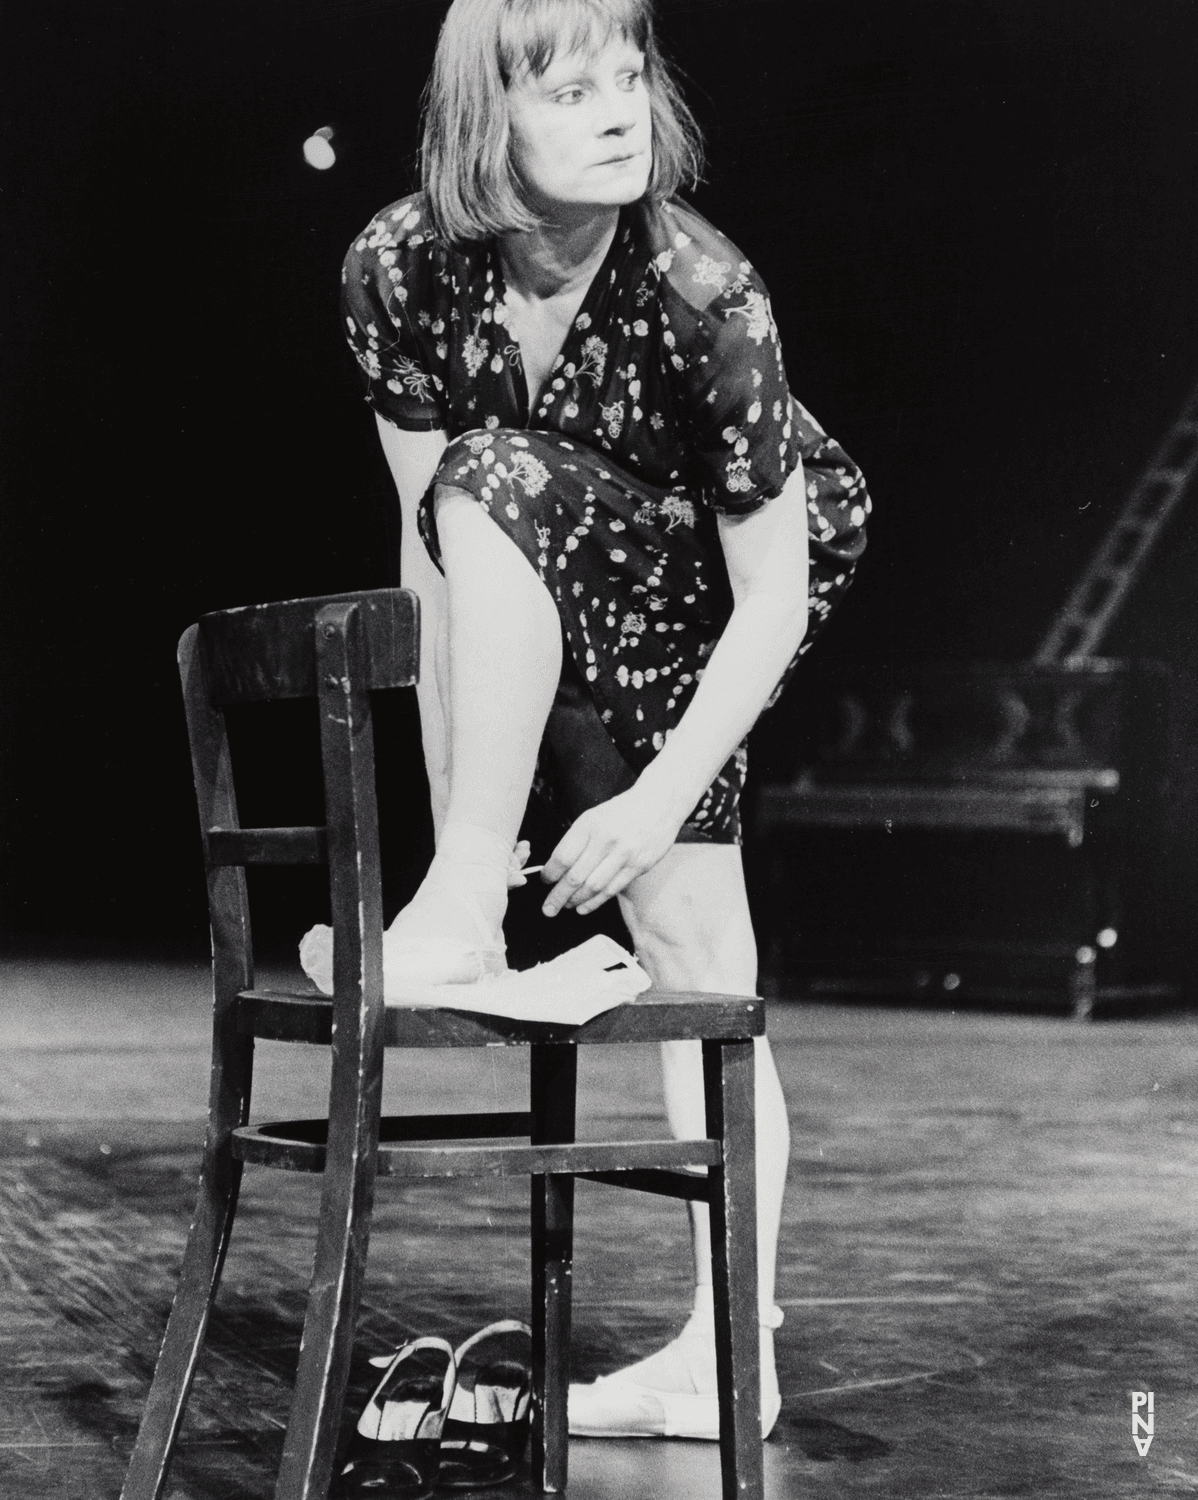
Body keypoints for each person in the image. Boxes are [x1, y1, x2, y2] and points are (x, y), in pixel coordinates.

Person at [337, 0, 869, 1442]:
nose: (619, 111)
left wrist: (646, 804)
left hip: (714, 581)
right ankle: (722, 1358)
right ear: (483, 122)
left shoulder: (706, 290)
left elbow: (767, 590)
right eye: (570, 92)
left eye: (627, 75)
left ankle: (725, 1348)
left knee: (691, 936)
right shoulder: (399, 266)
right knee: (483, 489)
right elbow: (432, 557)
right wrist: (466, 846)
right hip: (525, 555)